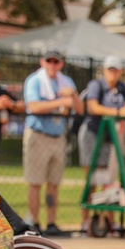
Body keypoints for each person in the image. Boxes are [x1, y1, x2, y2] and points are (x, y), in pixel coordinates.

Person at [23, 49, 82, 237]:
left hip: (58, 136)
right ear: (42, 62)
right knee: (35, 182)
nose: (52, 65)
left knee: (54, 183)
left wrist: (72, 95)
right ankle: (35, 223)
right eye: (49, 61)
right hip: (39, 135)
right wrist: (60, 101)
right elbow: (33, 106)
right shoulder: (34, 80)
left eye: (56, 61)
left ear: (61, 64)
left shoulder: (67, 83)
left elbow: (79, 109)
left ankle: (51, 223)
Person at [78, 55, 125, 232]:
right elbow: (93, 107)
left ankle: (109, 221)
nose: (113, 73)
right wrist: (119, 111)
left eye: (116, 69)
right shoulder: (96, 85)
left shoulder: (123, 88)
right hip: (92, 134)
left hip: (110, 138)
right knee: (91, 180)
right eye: (109, 69)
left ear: (121, 71)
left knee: (108, 180)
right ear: (104, 70)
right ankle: (86, 221)